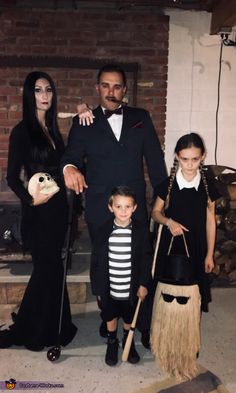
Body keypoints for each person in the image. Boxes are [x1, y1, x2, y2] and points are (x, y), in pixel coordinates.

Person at [61, 63, 167, 347]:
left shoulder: (140, 118)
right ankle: (109, 321)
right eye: (105, 85)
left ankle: (140, 326)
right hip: (100, 210)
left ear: (124, 90)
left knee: (140, 267)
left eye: (117, 86)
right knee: (106, 269)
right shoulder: (84, 121)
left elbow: (156, 163)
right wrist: (70, 167)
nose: (111, 91)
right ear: (97, 88)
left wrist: (166, 196)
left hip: (135, 211)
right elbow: (70, 155)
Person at [0, 71, 77, 351]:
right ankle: (38, 331)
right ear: (29, 95)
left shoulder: (53, 130)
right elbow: (11, 178)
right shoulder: (22, 132)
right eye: (38, 90)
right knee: (48, 270)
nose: (44, 95)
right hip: (37, 214)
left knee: (51, 270)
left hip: (57, 211)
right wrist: (31, 201)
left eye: (48, 90)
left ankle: (49, 327)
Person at [151, 132, 219, 313]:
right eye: (184, 159)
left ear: (202, 156)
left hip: (197, 246)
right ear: (177, 157)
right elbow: (155, 213)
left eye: (195, 159)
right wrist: (168, 222)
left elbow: (211, 222)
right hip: (170, 245)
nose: (189, 165)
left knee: (192, 294)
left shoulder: (208, 186)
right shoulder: (168, 185)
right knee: (167, 294)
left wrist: (210, 254)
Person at [90, 186, 153, 366]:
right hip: (109, 286)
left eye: (127, 207)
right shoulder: (103, 231)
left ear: (135, 208)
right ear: (111, 207)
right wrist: (97, 288)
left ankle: (128, 338)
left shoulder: (140, 231)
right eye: (119, 206)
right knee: (110, 314)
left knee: (128, 315)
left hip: (130, 287)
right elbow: (95, 262)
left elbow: (145, 259)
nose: (123, 211)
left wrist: (143, 284)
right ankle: (112, 341)